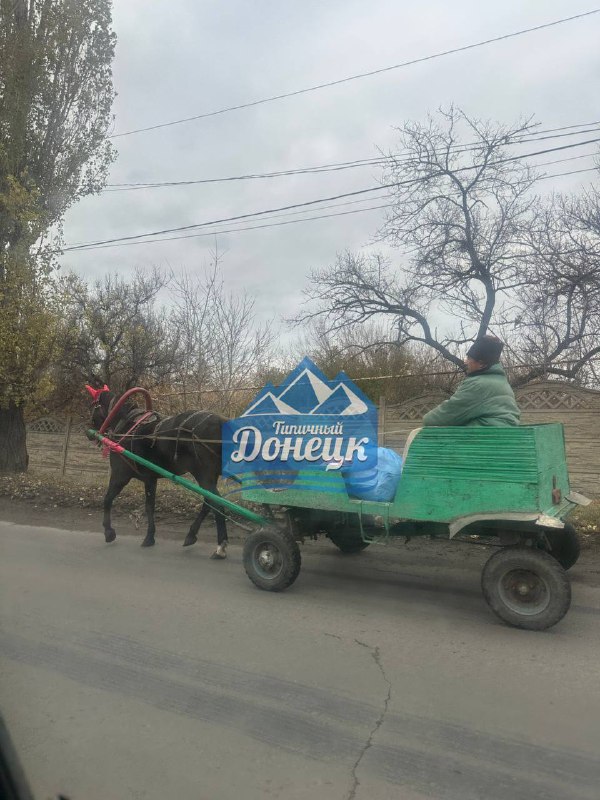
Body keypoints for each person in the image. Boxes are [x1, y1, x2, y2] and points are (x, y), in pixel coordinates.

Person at [422, 335, 520, 427]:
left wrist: (425, 419)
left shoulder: (477, 385)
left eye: (469, 358)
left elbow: (442, 416)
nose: (465, 361)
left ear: (481, 364)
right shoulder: (501, 382)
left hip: (487, 439)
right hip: (505, 436)